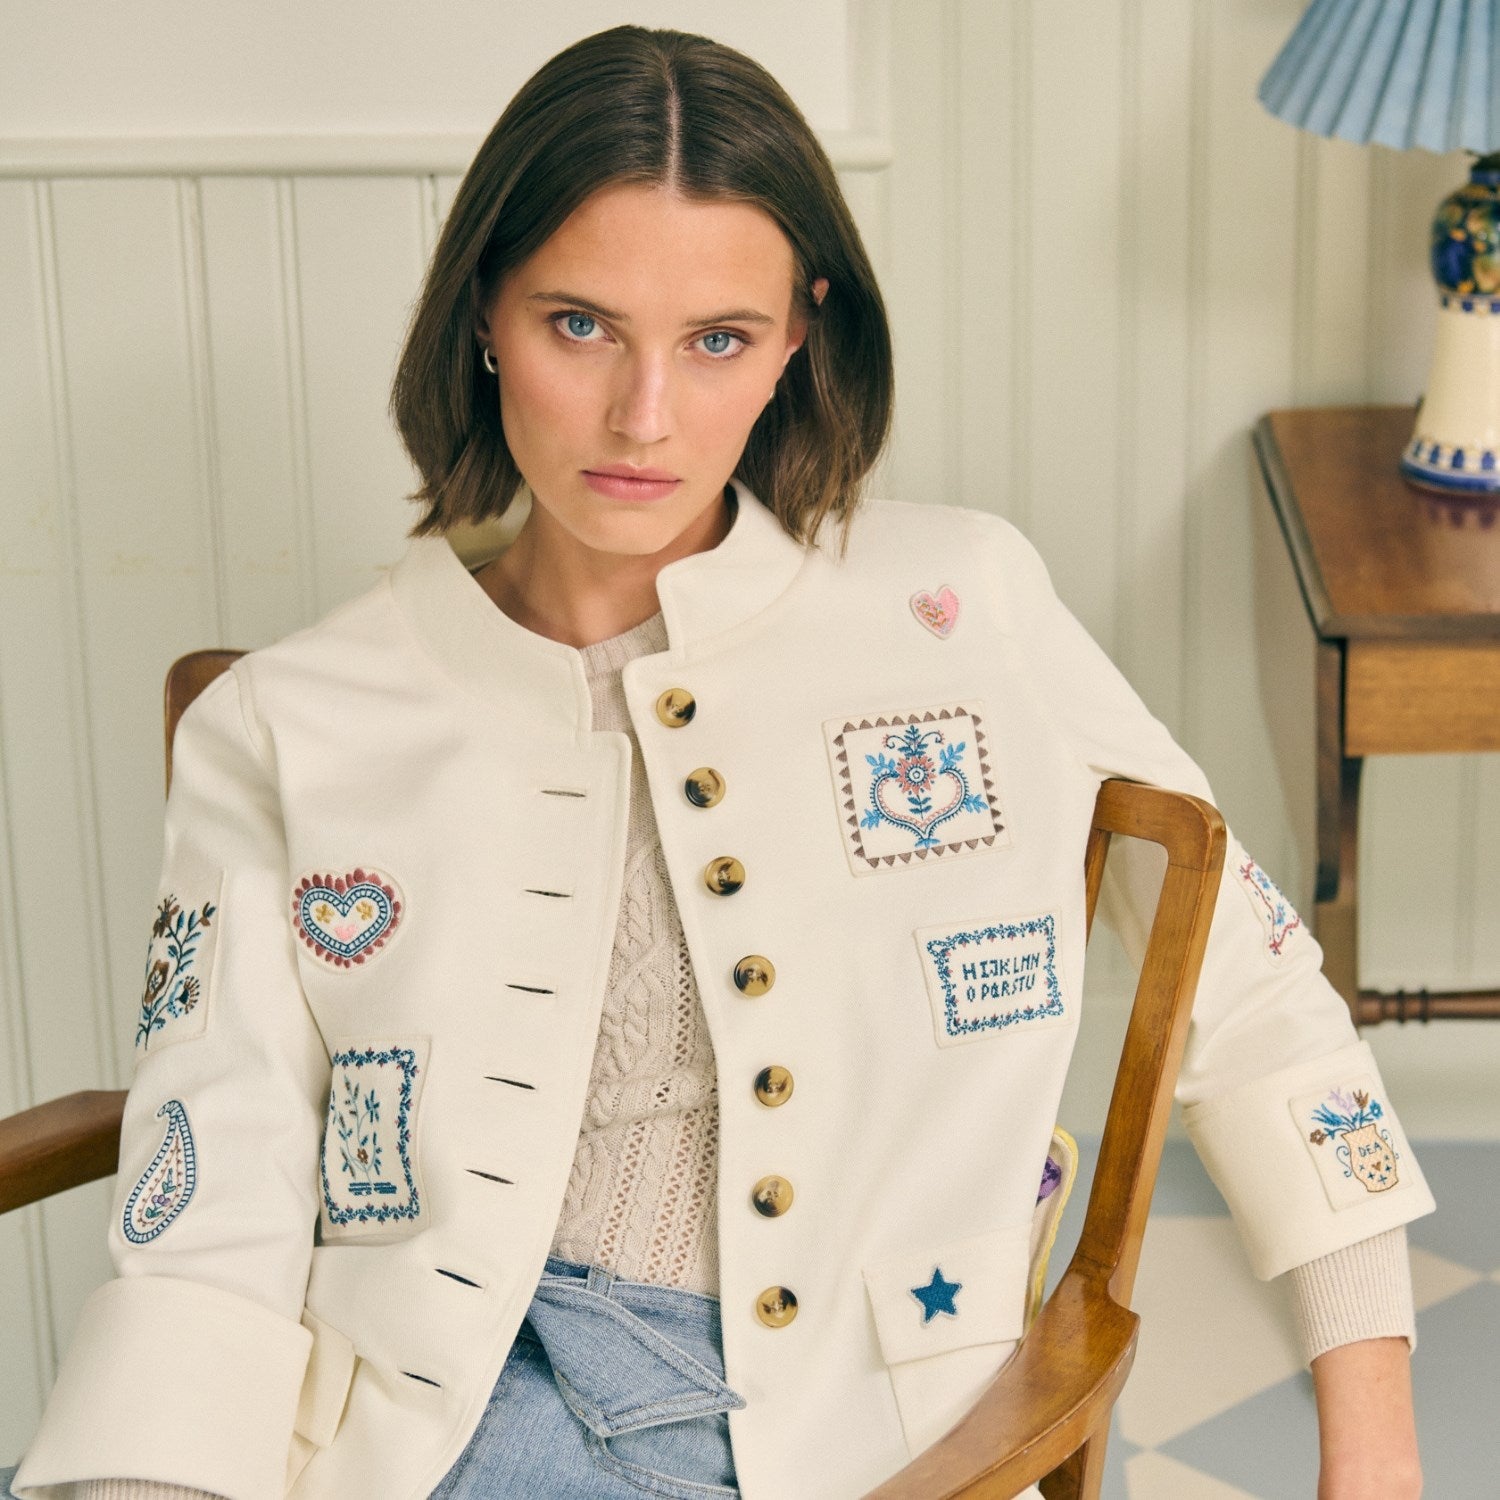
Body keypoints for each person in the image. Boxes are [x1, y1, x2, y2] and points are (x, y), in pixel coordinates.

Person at [5, 25, 1430, 1500]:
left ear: (802, 335)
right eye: (579, 325)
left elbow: (1258, 1003)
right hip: (409, 1424)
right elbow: (211, 1196)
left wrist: (1375, 1457)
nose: (644, 417)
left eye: (717, 340)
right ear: (482, 310)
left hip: (819, 1421)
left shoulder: (961, 606)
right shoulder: (290, 722)